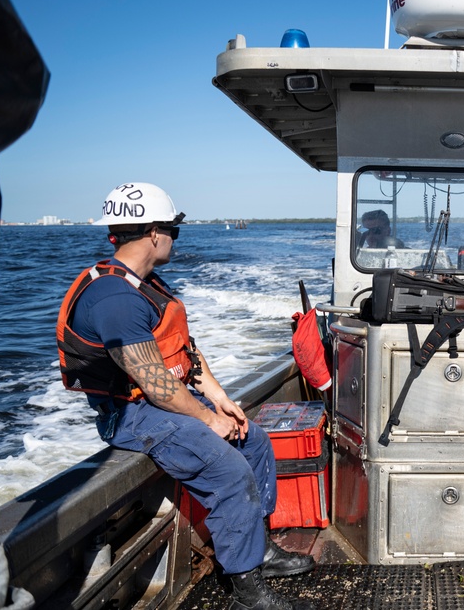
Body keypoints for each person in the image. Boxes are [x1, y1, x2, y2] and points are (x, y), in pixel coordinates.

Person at [57, 183, 317, 610]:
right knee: (229, 471)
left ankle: (259, 550)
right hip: (131, 413)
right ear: (155, 232)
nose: (175, 239)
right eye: (174, 231)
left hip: (161, 401)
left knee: (253, 439)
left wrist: (219, 399)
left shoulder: (146, 285)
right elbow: (153, 382)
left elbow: (183, 349)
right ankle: (247, 592)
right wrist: (207, 418)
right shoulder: (114, 299)